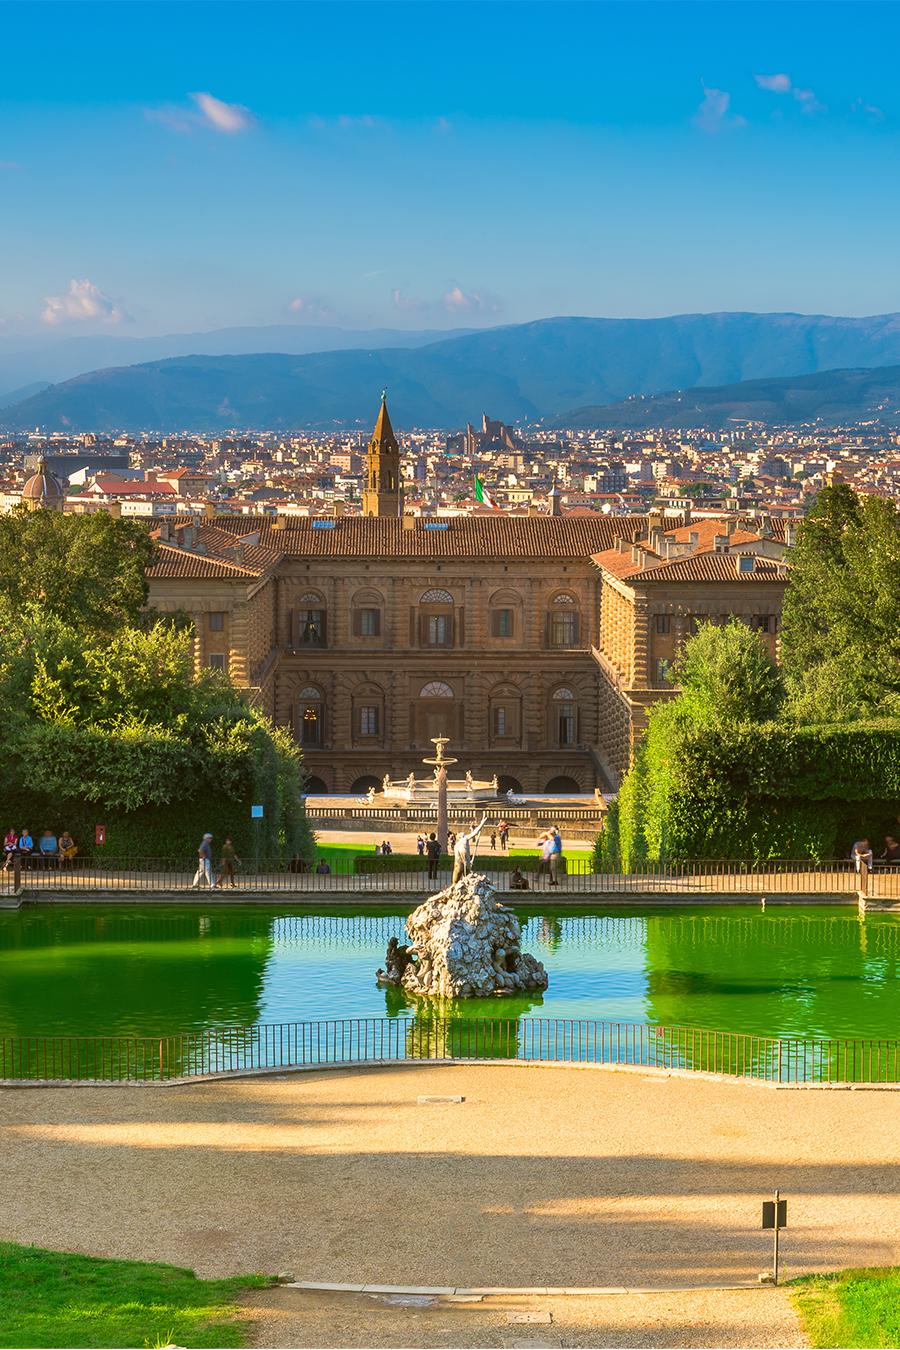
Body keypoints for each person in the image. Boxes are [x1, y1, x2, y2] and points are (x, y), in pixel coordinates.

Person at [452, 815, 488, 885]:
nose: (465, 834)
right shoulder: (464, 839)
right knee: (467, 879)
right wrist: (482, 823)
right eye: (463, 834)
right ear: (460, 837)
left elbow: (458, 857)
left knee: (455, 882)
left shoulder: (456, 845)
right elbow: (475, 833)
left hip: (457, 864)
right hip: (463, 862)